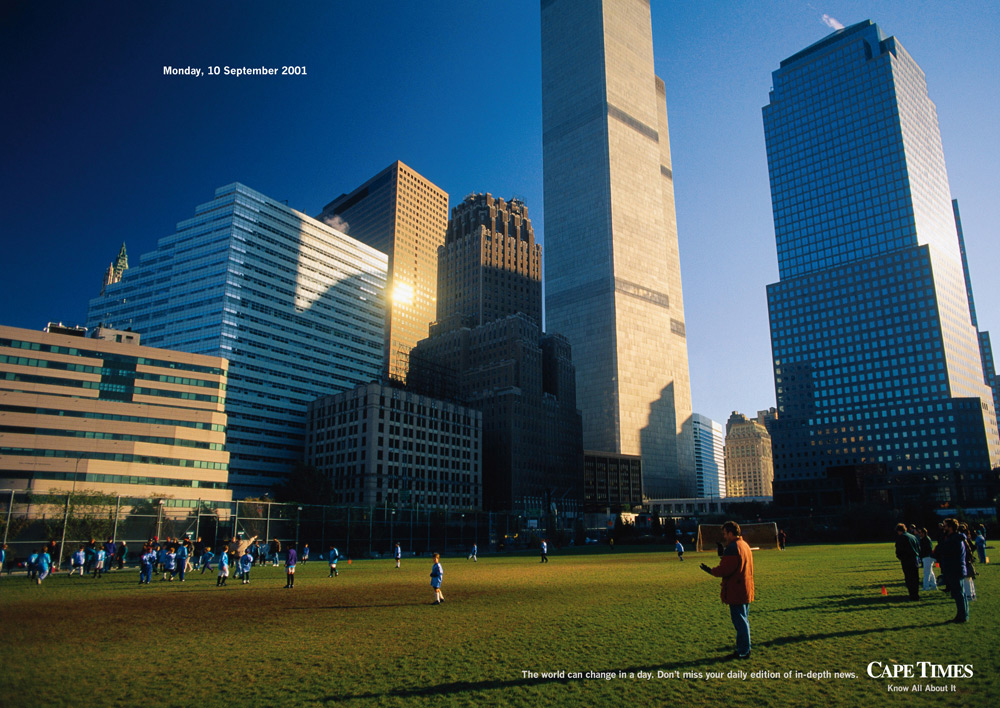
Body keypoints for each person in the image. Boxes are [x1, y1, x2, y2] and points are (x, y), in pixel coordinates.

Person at [700, 521, 754, 660]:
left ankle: (743, 651)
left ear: (730, 533)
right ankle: (744, 649)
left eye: (725, 533)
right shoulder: (745, 545)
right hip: (746, 587)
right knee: (744, 620)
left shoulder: (733, 547)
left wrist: (711, 571)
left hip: (736, 589)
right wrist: (723, 556)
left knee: (740, 622)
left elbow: (725, 569)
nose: (724, 536)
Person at [935, 518, 969, 623]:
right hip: (957, 568)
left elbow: (942, 549)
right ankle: (963, 615)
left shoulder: (953, 539)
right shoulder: (956, 538)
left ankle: (962, 616)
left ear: (950, 527)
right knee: (960, 594)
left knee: (958, 594)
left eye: (945, 526)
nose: (943, 528)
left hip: (955, 569)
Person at [894, 523, 921, 601]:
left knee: (909, 578)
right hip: (915, 559)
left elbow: (899, 550)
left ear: (898, 531)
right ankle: (916, 594)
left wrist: (900, 557)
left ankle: (912, 595)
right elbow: (919, 548)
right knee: (915, 578)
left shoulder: (902, 537)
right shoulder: (913, 536)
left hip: (907, 560)